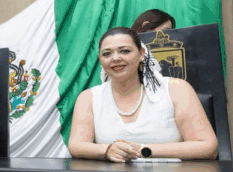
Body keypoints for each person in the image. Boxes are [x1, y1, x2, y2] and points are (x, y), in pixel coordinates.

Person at [68, 27, 217, 162]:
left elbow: (208, 147)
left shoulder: (176, 89)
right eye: (107, 54)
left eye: (124, 51)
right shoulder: (88, 97)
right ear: (100, 60)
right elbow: (76, 146)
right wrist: (107, 150)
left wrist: (143, 150)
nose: (115, 58)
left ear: (141, 54)